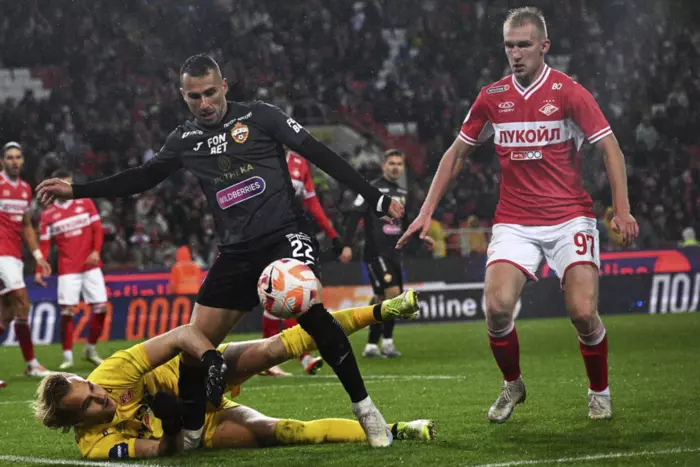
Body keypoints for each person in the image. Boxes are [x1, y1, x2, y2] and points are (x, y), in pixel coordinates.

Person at [37, 54, 404, 448]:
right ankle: (193, 433)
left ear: (225, 86)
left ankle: (366, 410)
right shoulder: (184, 140)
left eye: (210, 92)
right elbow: (140, 179)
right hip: (236, 253)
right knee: (194, 344)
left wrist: (375, 197)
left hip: (285, 235)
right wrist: (77, 190)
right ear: (183, 96)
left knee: (310, 311)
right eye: (194, 96)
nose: (205, 103)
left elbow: (319, 153)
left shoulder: (261, 116)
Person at [397, 7, 639, 422]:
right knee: (496, 308)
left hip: (569, 218)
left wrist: (623, 210)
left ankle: (599, 390)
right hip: (515, 221)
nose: (515, 53)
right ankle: (513, 384)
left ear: (544, 46)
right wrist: (425, 211)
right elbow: (456, 154)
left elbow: (610, 148)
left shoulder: (569, 92)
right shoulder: (492, 97)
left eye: (524, 45)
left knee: (583, 313)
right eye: (509, 45)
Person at [33, 291, 434, 460]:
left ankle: (381, 310)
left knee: (275, 348)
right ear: (76, 422)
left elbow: (182, 335)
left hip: (194, 372)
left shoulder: (112, 373)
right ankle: (398, 430)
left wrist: (210, 359)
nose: (100, 394)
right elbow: (164, 452)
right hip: (197, 429)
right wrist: (170, 423)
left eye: (90, 387)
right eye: (88, 403)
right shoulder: (96, 446)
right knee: (288, 431)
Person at [341, 149, 433, 358]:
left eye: (399, 164)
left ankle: (372, 345)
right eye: (391, 163)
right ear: (384, 165)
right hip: (375, 252)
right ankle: (388, 342)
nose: (395, 168)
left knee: (382, 298)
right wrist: (346, 245)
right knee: (393, 295)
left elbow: (406, 224)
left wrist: (421, 237)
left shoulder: (402, 193)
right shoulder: (371, 189)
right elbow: (354, 216)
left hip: (395, 253)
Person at [259, 149, 339, 377]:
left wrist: (333, 234)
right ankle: (278, 357)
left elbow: (312, 203)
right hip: (266, 232)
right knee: (278, 289)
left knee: (294, 290)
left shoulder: (299, 162)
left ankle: (296, 355)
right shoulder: (258, 156)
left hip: (295, 231)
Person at [35, 169, 107, 369]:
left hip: (90, 266)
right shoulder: (48, 215)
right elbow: (44, 245)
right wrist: (40, 269)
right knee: (67, 312)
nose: (67, 188)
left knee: (101, 308)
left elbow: (97, 230)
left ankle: (90, 348)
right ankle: (67, 356)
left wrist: (96, 251)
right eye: (63, 184)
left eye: (69, 184)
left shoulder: (85, 203)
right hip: (68, 269)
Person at [0, 142, 52, 377]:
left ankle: (31, 365)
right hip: (1, 254)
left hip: (14, 255)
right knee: (22, 300)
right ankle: (31, 363)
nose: (14, 161)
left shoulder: (25, 189)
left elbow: (26, 225)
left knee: (7, 314)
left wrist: (38, 255)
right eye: (9, 157)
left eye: (18, 157)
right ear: (2, 161)